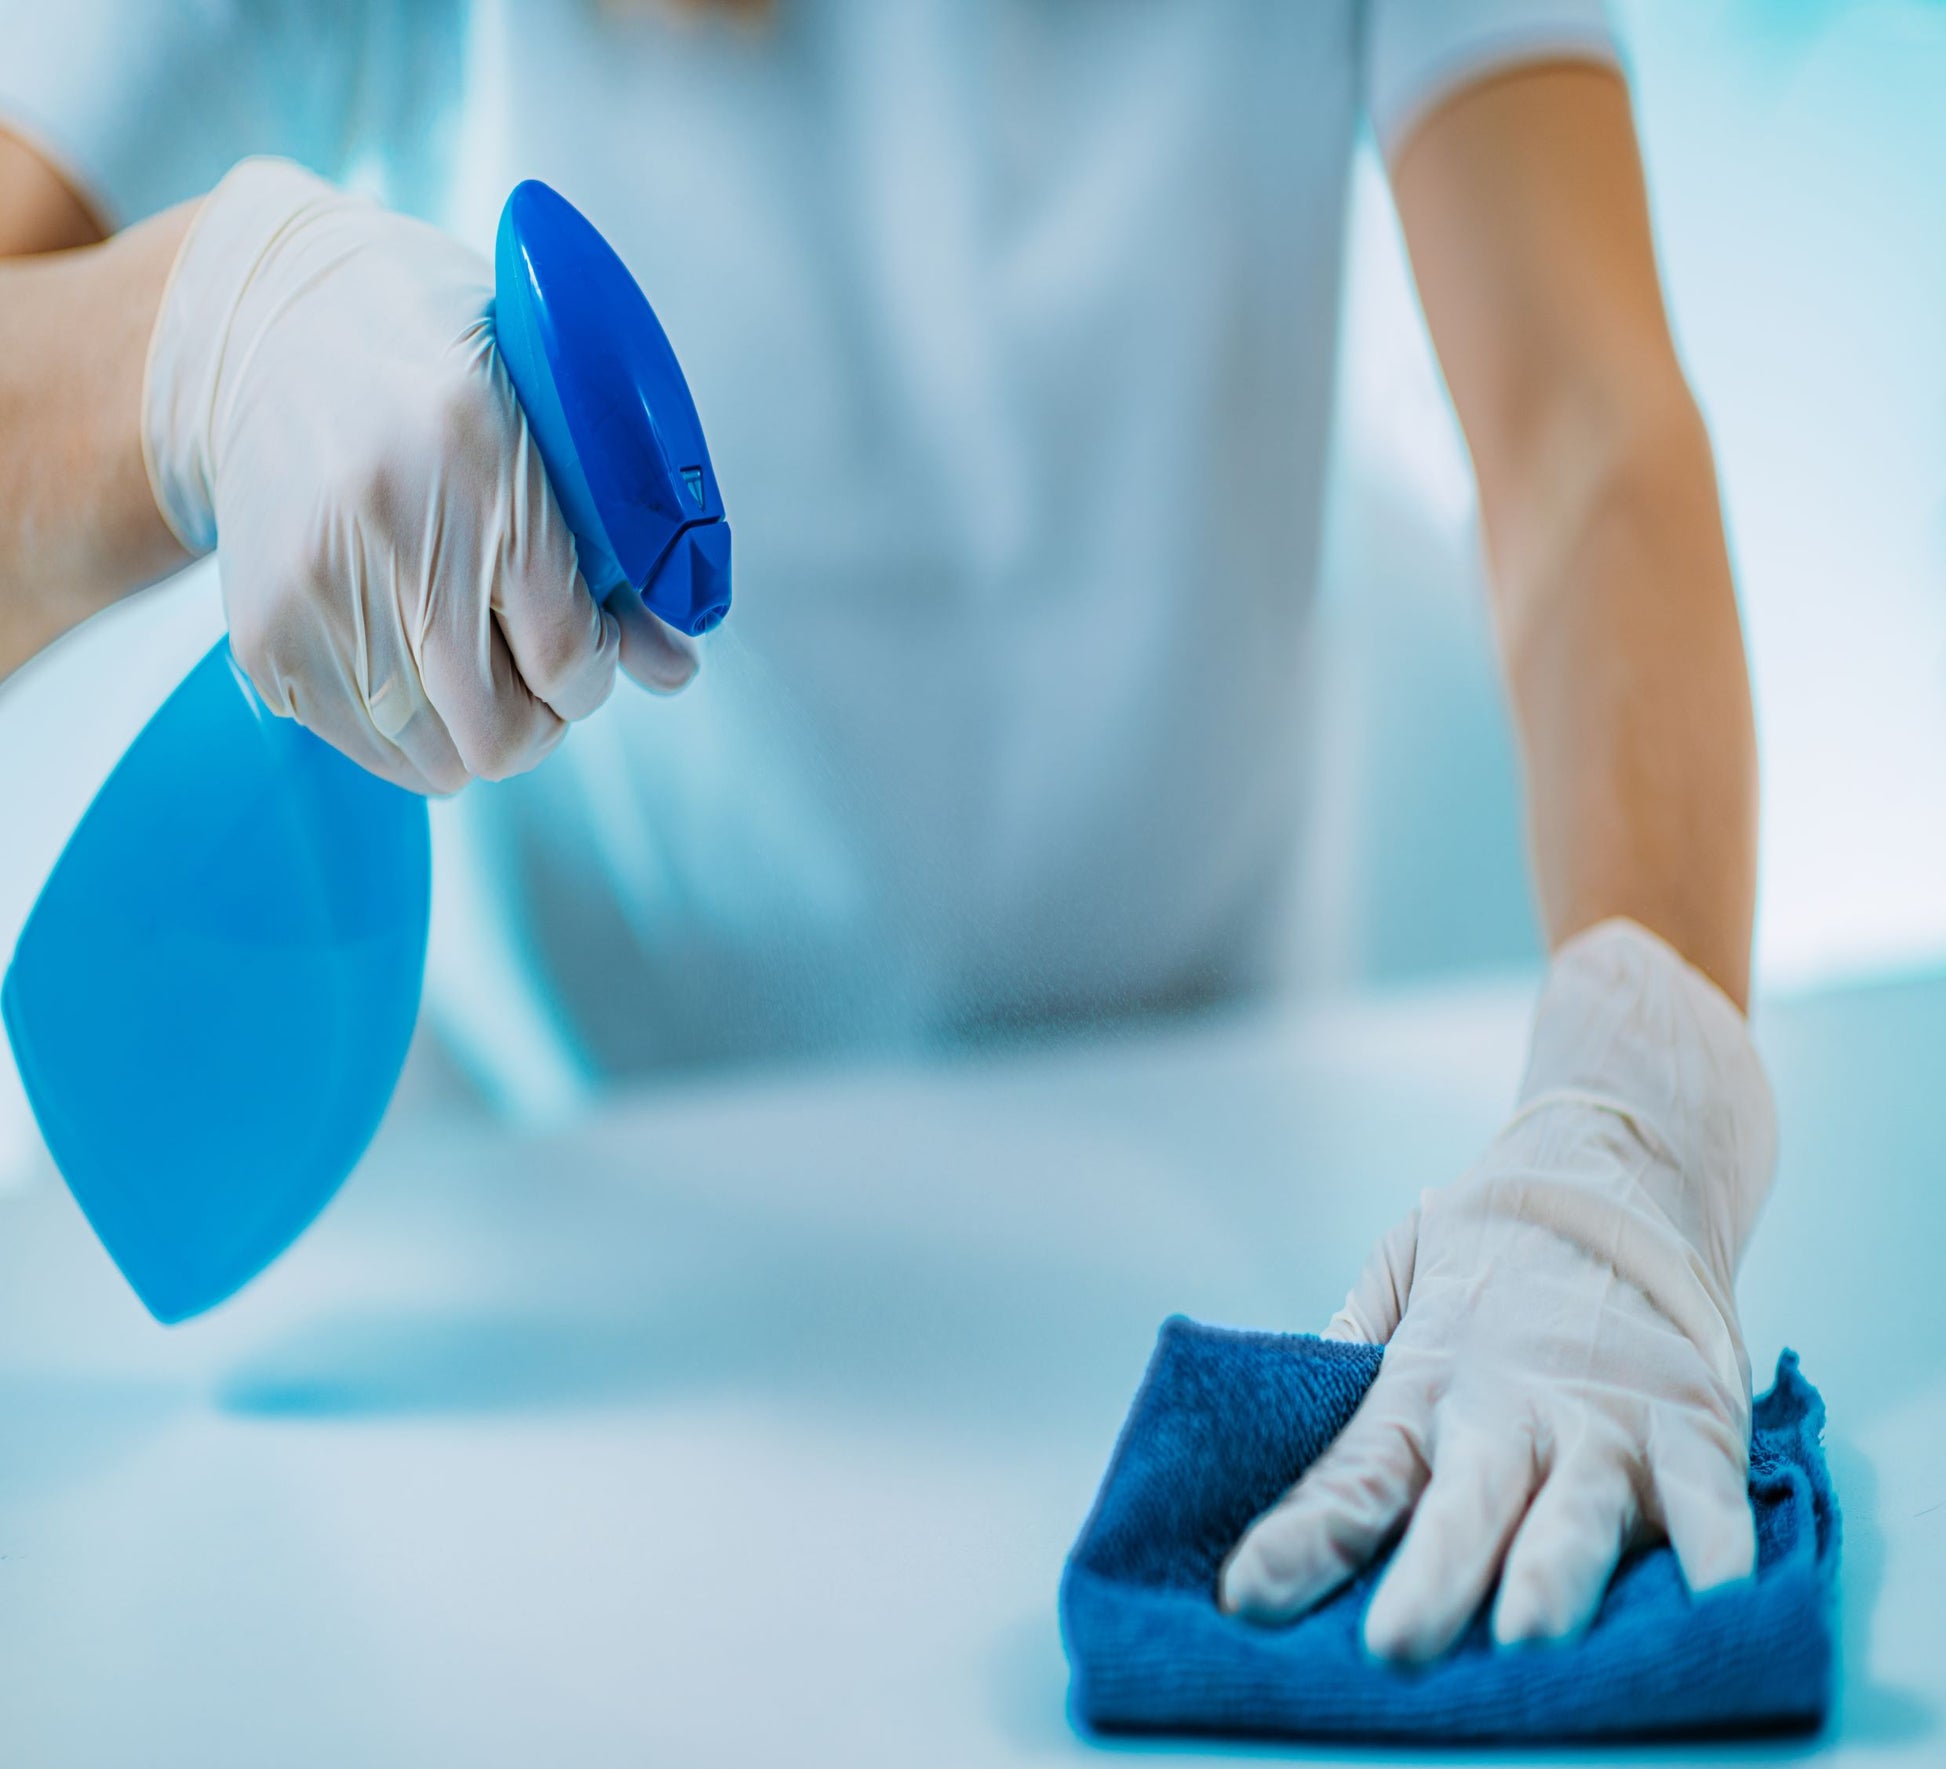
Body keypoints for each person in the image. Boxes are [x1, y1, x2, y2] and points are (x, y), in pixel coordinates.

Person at [0, 0, 1774, 1662]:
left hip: (1203, 1196)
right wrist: (197, 331)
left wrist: (1640, 1107)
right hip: (541, 1258)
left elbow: (1586, 431)